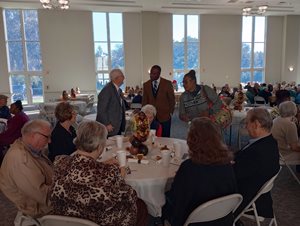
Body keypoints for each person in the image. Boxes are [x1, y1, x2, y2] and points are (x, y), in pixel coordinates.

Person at [50, 121, 147, 226]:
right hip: (99, 221)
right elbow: (130, 196)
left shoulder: (60, 162)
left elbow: (81, 169)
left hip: (65, 220)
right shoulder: (109, 172)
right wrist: (121, 173)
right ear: (100, 146)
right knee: (141, 206)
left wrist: (101, 164)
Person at [162, 117, 237, 226]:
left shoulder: (188, 168)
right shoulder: (227, 164)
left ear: (192, 139)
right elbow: (233, 192)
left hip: (193, 222)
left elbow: (176, 202)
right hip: (223, 220)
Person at [0, 120, 53, 223]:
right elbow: (43, 196)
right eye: (47, 137)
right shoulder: (20, 159)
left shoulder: (28, 147)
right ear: (33, 136)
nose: (49, 141)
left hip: (44, 199)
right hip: (39, 208)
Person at [233, 108, 280, 223]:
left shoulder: (256, 152)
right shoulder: (270, 142)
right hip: (258, 194)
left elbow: (233, 175)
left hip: (242, 196)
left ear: (256, 124)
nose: (246, 126)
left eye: (247, 123)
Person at [142, 65, 175, 137]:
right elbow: (144, 101)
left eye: (154, 73)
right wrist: (144, 114)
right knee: (151, 137)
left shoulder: (167, 83)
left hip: (165, 116)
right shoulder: (146, 85)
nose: (151, 75)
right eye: (151, 73)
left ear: (159, 74)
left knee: (165, 137)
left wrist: (170, 113)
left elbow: (171, 99)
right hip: (151, 117)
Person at [271, 101, 300, 172]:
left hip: (275, 151)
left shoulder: (276, 120)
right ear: (294, 110)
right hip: (284, 154)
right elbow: (294, 147)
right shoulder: (289, 125)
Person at [96, 69, 126, 137]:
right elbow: (101, 110)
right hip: (109, 128)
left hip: (117, 126)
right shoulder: (107, 90)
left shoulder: (118, 90)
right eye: (122, 76)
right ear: (116, 78)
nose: (124, 77)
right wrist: (107, 124)